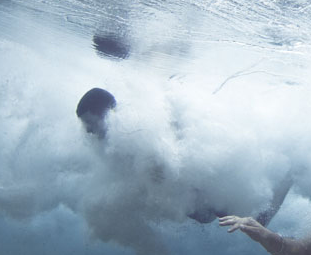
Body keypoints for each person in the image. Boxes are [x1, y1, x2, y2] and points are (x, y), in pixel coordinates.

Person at [75, 87, 292, 226]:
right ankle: (286, 170)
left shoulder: (132, 129)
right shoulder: (123, 131)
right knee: (217, 217)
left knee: (255, 224)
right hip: (195, 177)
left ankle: (289, 172)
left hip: (202, 172)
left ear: (105, 115)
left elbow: (168, 163)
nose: (88, 131)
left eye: (90, 123)